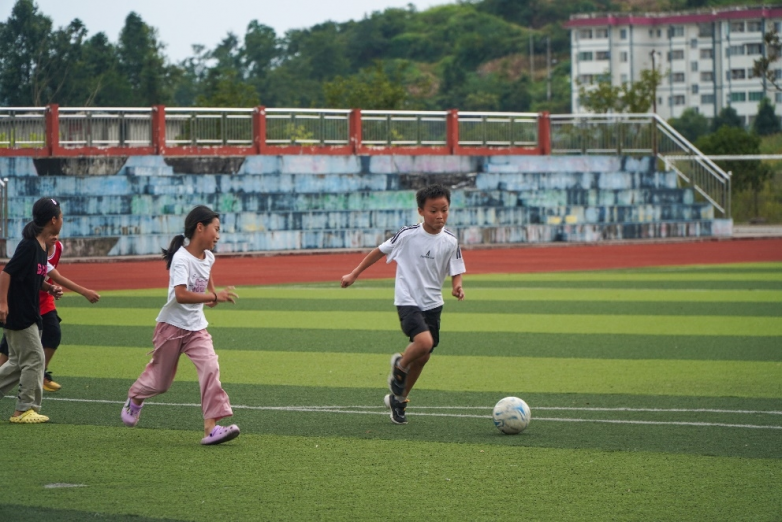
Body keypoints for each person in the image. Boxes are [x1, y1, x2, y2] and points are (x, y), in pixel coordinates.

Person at [341, 184, 466, 424]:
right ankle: (400, 363)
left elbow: (456, 268)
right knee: (424, 342)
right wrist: (354, 273)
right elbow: (378, 251)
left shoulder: (450, 241)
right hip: (408, 300)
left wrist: (456, 286)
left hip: (433, 304)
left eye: (444, 210)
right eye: (433, 211)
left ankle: (399, 400)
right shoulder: (407, 234)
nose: (439, 215)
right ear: (421, 211)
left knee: (424, 356)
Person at [120, 205, 241, 445]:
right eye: (215, 229)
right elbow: (181, 295)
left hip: (196, 328)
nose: (218, 235)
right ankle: (135, 397)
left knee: (210, 366)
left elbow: (207, 285)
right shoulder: (180, 259)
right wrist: (213, 297)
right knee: (162, 383)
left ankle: (211, 429)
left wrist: (214, 295)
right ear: (200, 228)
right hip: (171, 328)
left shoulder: (209, 257)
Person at [0, 239, 101, 391]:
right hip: (23, 301)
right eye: (52, 231)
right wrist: (85, 292)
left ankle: (39, 375)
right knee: (9, 350)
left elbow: (44, 276)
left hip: (44, 300)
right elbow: (10, 273)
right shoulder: (32, 249)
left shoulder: (57, 247)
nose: (55, 235)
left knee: (53, 334)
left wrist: (49, 288)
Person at [0, 197, 64, 424]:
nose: (62, 220)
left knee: (18, 363)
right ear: (53, 220)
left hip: (30, 312)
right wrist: (3, 304)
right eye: (61, 216)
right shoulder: (28, 246)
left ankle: (25, 408)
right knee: (35, 359)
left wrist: (49, 287)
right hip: (20, 313)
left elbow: (33, 277)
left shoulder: (40, 246)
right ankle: (24, 410)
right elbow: (7, 273)